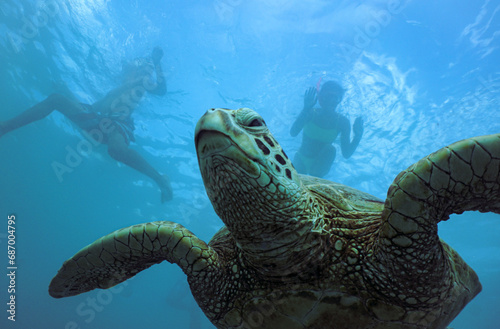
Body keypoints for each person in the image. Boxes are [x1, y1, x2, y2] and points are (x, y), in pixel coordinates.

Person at [0, 46, 173, 203]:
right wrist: (66, 91)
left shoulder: (138, 85)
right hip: (98, 118)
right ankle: (5, 127)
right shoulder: (114, 92)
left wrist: (157, 63)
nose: (124, 69)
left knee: (116, 149)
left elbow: (161, 90)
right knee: (56, 99)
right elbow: (89, 109)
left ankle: (159, 179)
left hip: (120, 123)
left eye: (130, 68)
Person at [290, 80, 363, 178]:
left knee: (330, 150)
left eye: (335, 98)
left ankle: (314, 178)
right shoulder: (311, 113)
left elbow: (346, 154)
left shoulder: (342, 122)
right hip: (301, 160)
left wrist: (358, 136)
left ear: (339, 100)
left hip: (319, 168)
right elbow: (293, 132)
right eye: (328, 96)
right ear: (321, 98)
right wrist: (305, 109)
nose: (331, 101)